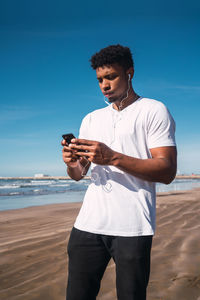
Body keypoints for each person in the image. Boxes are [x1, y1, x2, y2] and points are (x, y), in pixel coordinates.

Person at [62, 44, 177, 300]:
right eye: (100, 79)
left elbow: (167, 170)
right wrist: (72, 163)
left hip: (133, 227)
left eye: (111, 76)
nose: (104, 85)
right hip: (87, 225)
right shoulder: (91, 118)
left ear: (129, 72)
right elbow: (80, 174)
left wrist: (112, 157)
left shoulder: (153, 110)